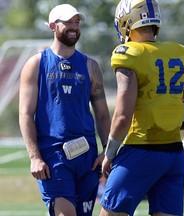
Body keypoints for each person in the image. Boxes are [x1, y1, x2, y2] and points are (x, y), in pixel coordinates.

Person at [99, 0, 184, 215]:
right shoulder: (178, 51)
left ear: (127, 20)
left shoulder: (128, 53)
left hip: (140, 150)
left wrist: (109, 153)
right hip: (173, 154)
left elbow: (122, 116)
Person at [18, 4, 111, 216]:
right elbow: (25, 113)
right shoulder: (36, 64)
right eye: (67, 22)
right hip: (53, 156)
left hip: (86, 157)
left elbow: (103, 115)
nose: (74, 27)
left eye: (77, 22)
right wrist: (35, 157)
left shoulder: (91, 66)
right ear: (52, 26)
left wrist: (107, 150)